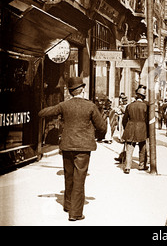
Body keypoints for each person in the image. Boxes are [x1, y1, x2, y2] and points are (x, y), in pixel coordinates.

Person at [38, 77, 107, 221]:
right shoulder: (90, 106)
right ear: (82, 89)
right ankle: (75, 213)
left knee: (68, 177)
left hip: (67, 145)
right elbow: (102, 127)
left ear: (70, 92)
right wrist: (98, 136)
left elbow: (43, 113)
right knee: (79, 179)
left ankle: (68, 205)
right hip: (83, 147)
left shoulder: (64, 105)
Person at [121, 87, 149, 173]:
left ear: (137, 96)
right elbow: (148, 120)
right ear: (143, 97)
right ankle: (141, 165)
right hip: (142, 128)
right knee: (142, 147)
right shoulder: (146, 106)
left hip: (130, 127)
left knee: (129, 148)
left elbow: (124, 120)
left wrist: (127, 128)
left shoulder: (129, 106)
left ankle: (127, 167)